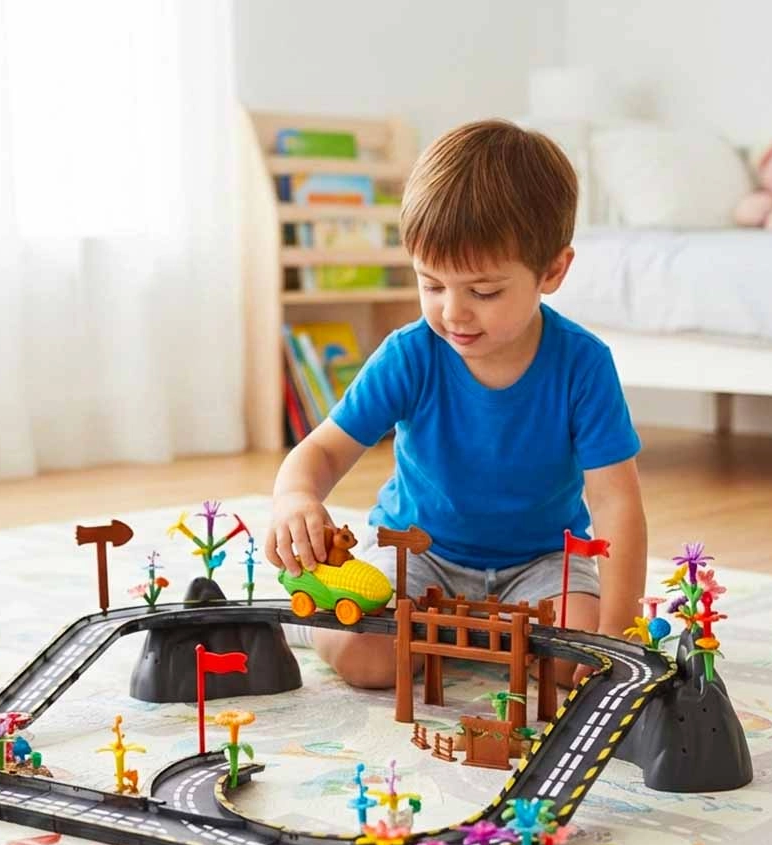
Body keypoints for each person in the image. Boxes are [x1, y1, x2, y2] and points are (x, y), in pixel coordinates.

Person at [266, 119, 646, 688]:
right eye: (432, 285)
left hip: (542, 562)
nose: (452, 312)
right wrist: (295, 497)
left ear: (552, 271)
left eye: (483, 291)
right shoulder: (410, 354)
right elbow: (322, 450)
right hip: (418, 553)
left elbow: (616, 502)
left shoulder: (582, 365)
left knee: (575, 660)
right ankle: (312, 623)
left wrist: (618, 634)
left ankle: (471, 634)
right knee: (368, 659)